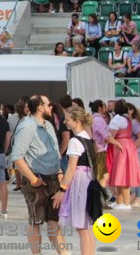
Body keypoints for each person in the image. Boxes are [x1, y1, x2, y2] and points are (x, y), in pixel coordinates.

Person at [9, 95, 65, 255]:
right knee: (36, 221)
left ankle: (65, 253)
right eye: (49, 104)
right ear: (40, 107)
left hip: (53, 178)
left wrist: (59, 171)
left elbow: (54, 151)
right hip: (37, 179)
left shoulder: (47, 124)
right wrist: (33, 179)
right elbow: (17, 156)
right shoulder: (27, 127)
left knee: (54, 221)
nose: (51, 107)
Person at [53, 105, 96, 255]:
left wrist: (62, 190)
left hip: (79, 182)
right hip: (89, 180)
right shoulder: (88, 139)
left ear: (77, 121)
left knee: (82, 227)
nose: (65, 122)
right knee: (87, 228)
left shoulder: (75, 141)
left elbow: (71, 169)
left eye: (68, 120)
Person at [103, 100, 140, 210]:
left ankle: (126, 202)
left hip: (120, 146)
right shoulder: (126, 119)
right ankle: (120, 201)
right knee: (119, 173)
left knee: (123, 173)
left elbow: (110, 135)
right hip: (126, 145)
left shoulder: (117, 119)